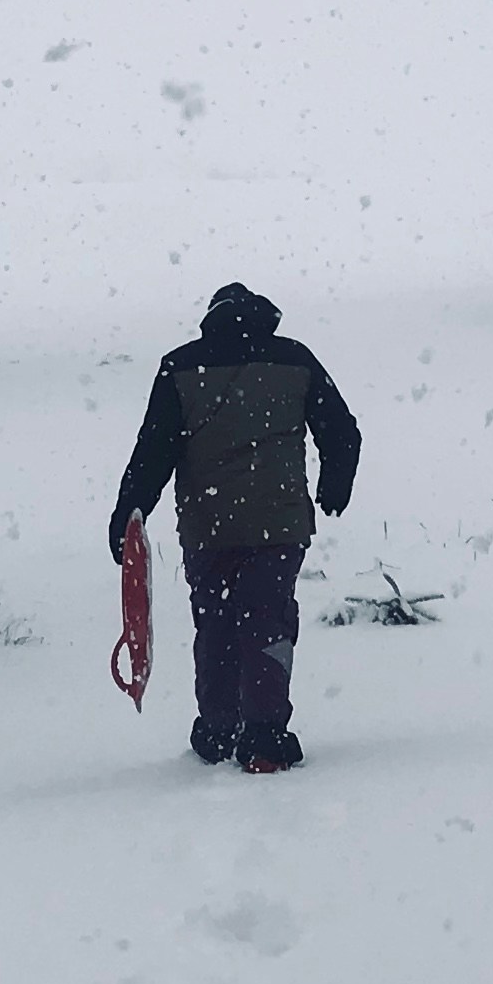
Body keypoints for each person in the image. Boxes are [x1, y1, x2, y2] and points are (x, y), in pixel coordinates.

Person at [107, 281, 363, 774]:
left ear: (212, 318)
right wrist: (335, 484)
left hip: (208, 526)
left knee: (216, 625)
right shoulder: (295, 359)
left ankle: (218, 731)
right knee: (268, 620)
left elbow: (153, 450)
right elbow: (342, 431)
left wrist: (130, 512)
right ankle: (265, 737)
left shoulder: (181, 365)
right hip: (279, 523)